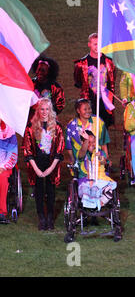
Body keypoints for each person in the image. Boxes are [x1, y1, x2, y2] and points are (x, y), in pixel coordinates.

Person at [23, 98, 65, 230]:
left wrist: (51, 168)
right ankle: (41, 217)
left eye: (47, 109)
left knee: (51, 190)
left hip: (52, 162)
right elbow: (27, 150)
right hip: (37, 162)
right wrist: (37, 170)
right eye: (42, 109)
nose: (44, 112)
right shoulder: (31, 127)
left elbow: (59, 149)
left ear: (50, 110)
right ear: (37, 110)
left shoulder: (57, 127)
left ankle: (50, 218)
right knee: (39, 190)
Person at [74, 33, 116, 128]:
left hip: (105, 102)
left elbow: (112, 80)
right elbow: (78, 81)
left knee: (104, 128)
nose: (97, 46)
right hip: (89, 101)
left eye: (99, 44)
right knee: (89, 127)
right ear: (89, 44)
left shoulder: (109, 62)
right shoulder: (82, 64)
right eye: (95, 44)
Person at [76, 130, 117, 211]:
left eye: (93, 142)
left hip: (99, 180)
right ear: (83, 143)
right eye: (88, 142)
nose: (91, 144)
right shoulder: (82, 153)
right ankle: (89, 203)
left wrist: (100, 157)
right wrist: (86, 140)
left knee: (109, 191)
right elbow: (82, 153)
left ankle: (99, 203)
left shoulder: (99, 152)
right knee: (87, 190)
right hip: (86, 182)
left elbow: (104, 162)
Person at [66, 99, 110, 165]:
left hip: (97, 160)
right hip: (81, 162)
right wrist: (72, 160)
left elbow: (103, 142)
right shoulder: (72, 125)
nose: (88, 111)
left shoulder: (98, 121)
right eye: (85, 109)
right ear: (78, 111)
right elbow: (69, 146)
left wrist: (106, 158)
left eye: (89, 108)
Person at [30, 55, 65, 120]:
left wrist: (46, 110)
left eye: (43, 70)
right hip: (32, 120)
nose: (40, 72)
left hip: (49, 121)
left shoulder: (56, 88)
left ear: (49, 72)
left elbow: (60, 105)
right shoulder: (30, 84)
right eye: (39, 69)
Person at [0, 119, 18, 224]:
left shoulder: (9, 132)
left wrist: (2, 167)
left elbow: (12, 154)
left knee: (2, 179)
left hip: (4, 166)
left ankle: (1, 212)